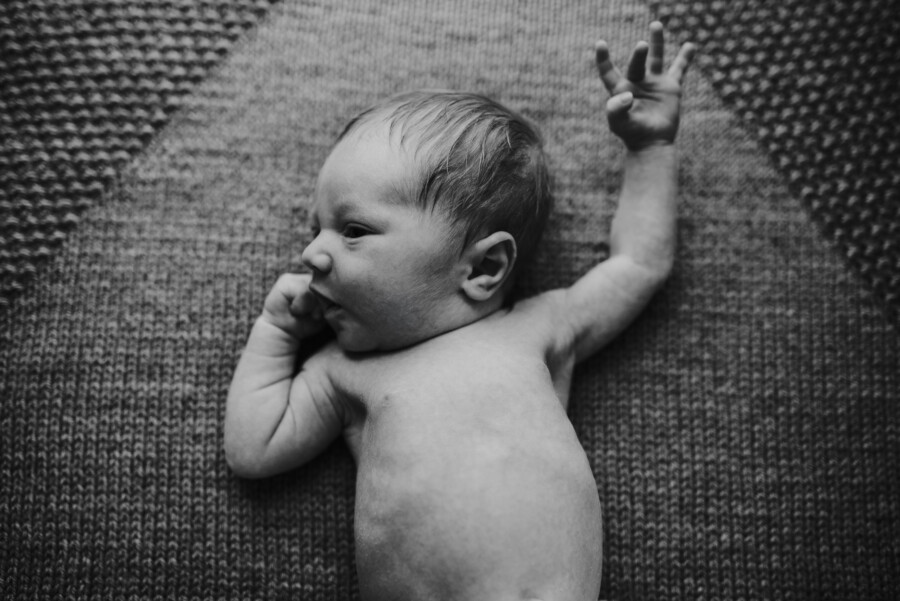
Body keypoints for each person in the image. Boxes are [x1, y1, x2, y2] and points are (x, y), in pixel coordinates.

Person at [225, 21, 694, 601]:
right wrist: (275, 332)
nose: (311, 253)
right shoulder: (342, 372)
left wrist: (650, 149)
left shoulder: (537, 328)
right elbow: (254, 449)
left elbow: (639, 264)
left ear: (483, 268)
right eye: (314, 228)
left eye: (353, 230)